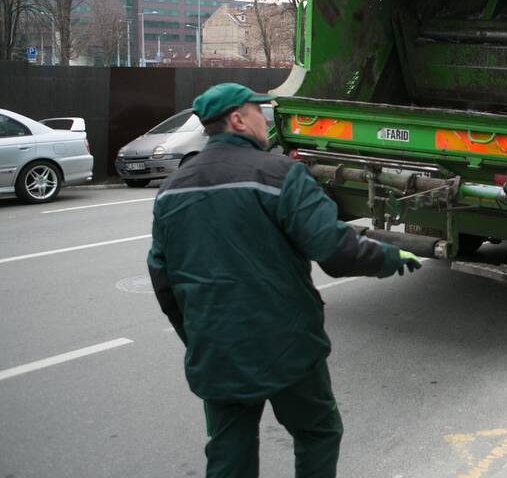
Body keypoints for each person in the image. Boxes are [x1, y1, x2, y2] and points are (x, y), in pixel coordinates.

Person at [147, 83, 420, 478]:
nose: (266, 118)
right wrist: (389, 257)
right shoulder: (280, 174)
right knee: (317, 432)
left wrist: (197, 335)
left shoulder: (171, 189)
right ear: (237, 120)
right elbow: (335, 250)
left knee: (229, 451)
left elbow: (162, 278)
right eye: (258, 111)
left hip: (216, 348)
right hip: (287, 344)